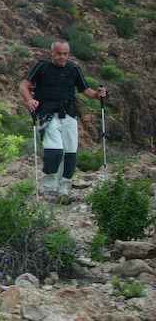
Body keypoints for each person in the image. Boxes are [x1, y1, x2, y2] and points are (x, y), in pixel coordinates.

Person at [19, 39, 107, 203]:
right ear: (52, 52)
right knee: (54, 151)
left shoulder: (73, 69)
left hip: (69, 113)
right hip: (48, 113)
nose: (62, 57)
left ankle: (64, 189)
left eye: (65, 54)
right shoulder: (42, 67)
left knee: (70, 152)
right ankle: (49, 188)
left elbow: (86, 90)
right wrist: (30, 100)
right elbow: (24, 87)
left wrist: (97, 94)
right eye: (59, 53)